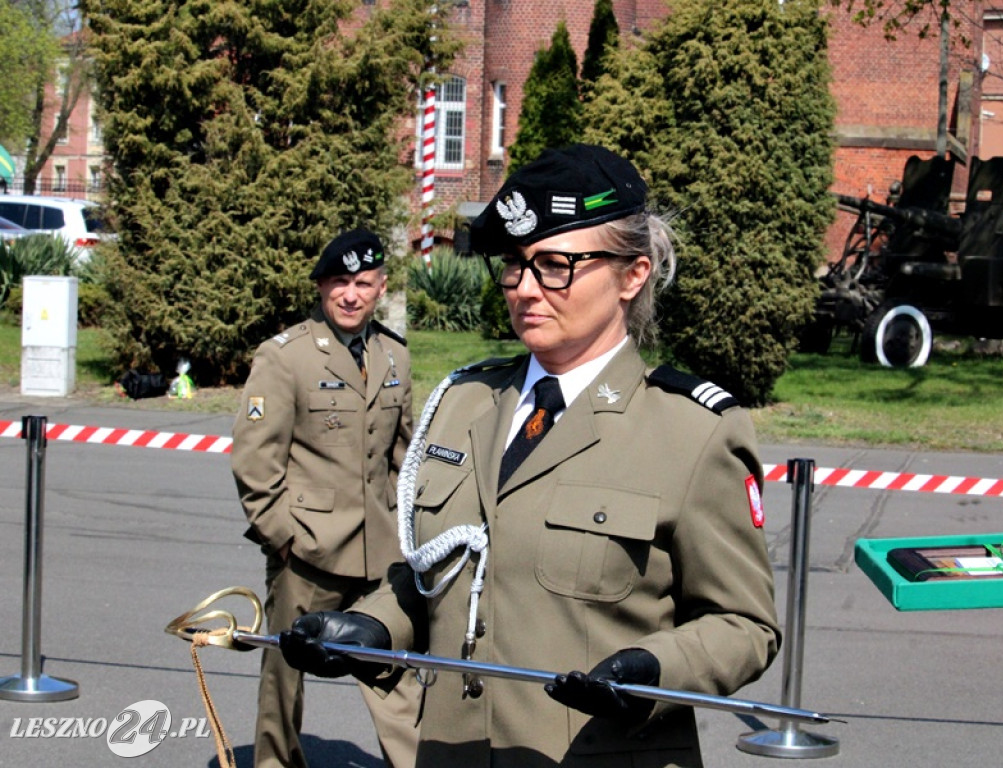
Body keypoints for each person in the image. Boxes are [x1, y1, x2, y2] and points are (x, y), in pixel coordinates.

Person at [279, 145, 781, 767]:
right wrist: (375, 625)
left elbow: (744, 625)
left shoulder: (692, 431)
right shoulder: (464, 400)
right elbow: (439, 566)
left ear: (633, 274)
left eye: (556, 266)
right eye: (515, 266)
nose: (525, 289)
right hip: (449, 752)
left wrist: (653, 669)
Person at [231, 227, 421, 768]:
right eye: (339, 281)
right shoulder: (286, 356)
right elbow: (255, 458)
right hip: (308, 553)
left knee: (394, 671)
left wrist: (407, 535)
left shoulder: (393, 356)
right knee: (284, 679)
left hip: (380, 553)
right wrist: (284, 538)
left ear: (380, 286)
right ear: (321, 287)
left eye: (363, 282)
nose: (350, 294)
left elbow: (403, 455)